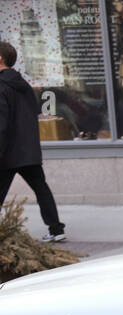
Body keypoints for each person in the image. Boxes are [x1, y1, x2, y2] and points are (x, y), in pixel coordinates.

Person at [0, 41, 66, 242]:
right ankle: (56, 229)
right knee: (41, 188)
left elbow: (1, 123)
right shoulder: (23, 84)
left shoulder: (1, 85)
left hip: (8, 151)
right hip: (28, 150)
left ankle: (56, 229)